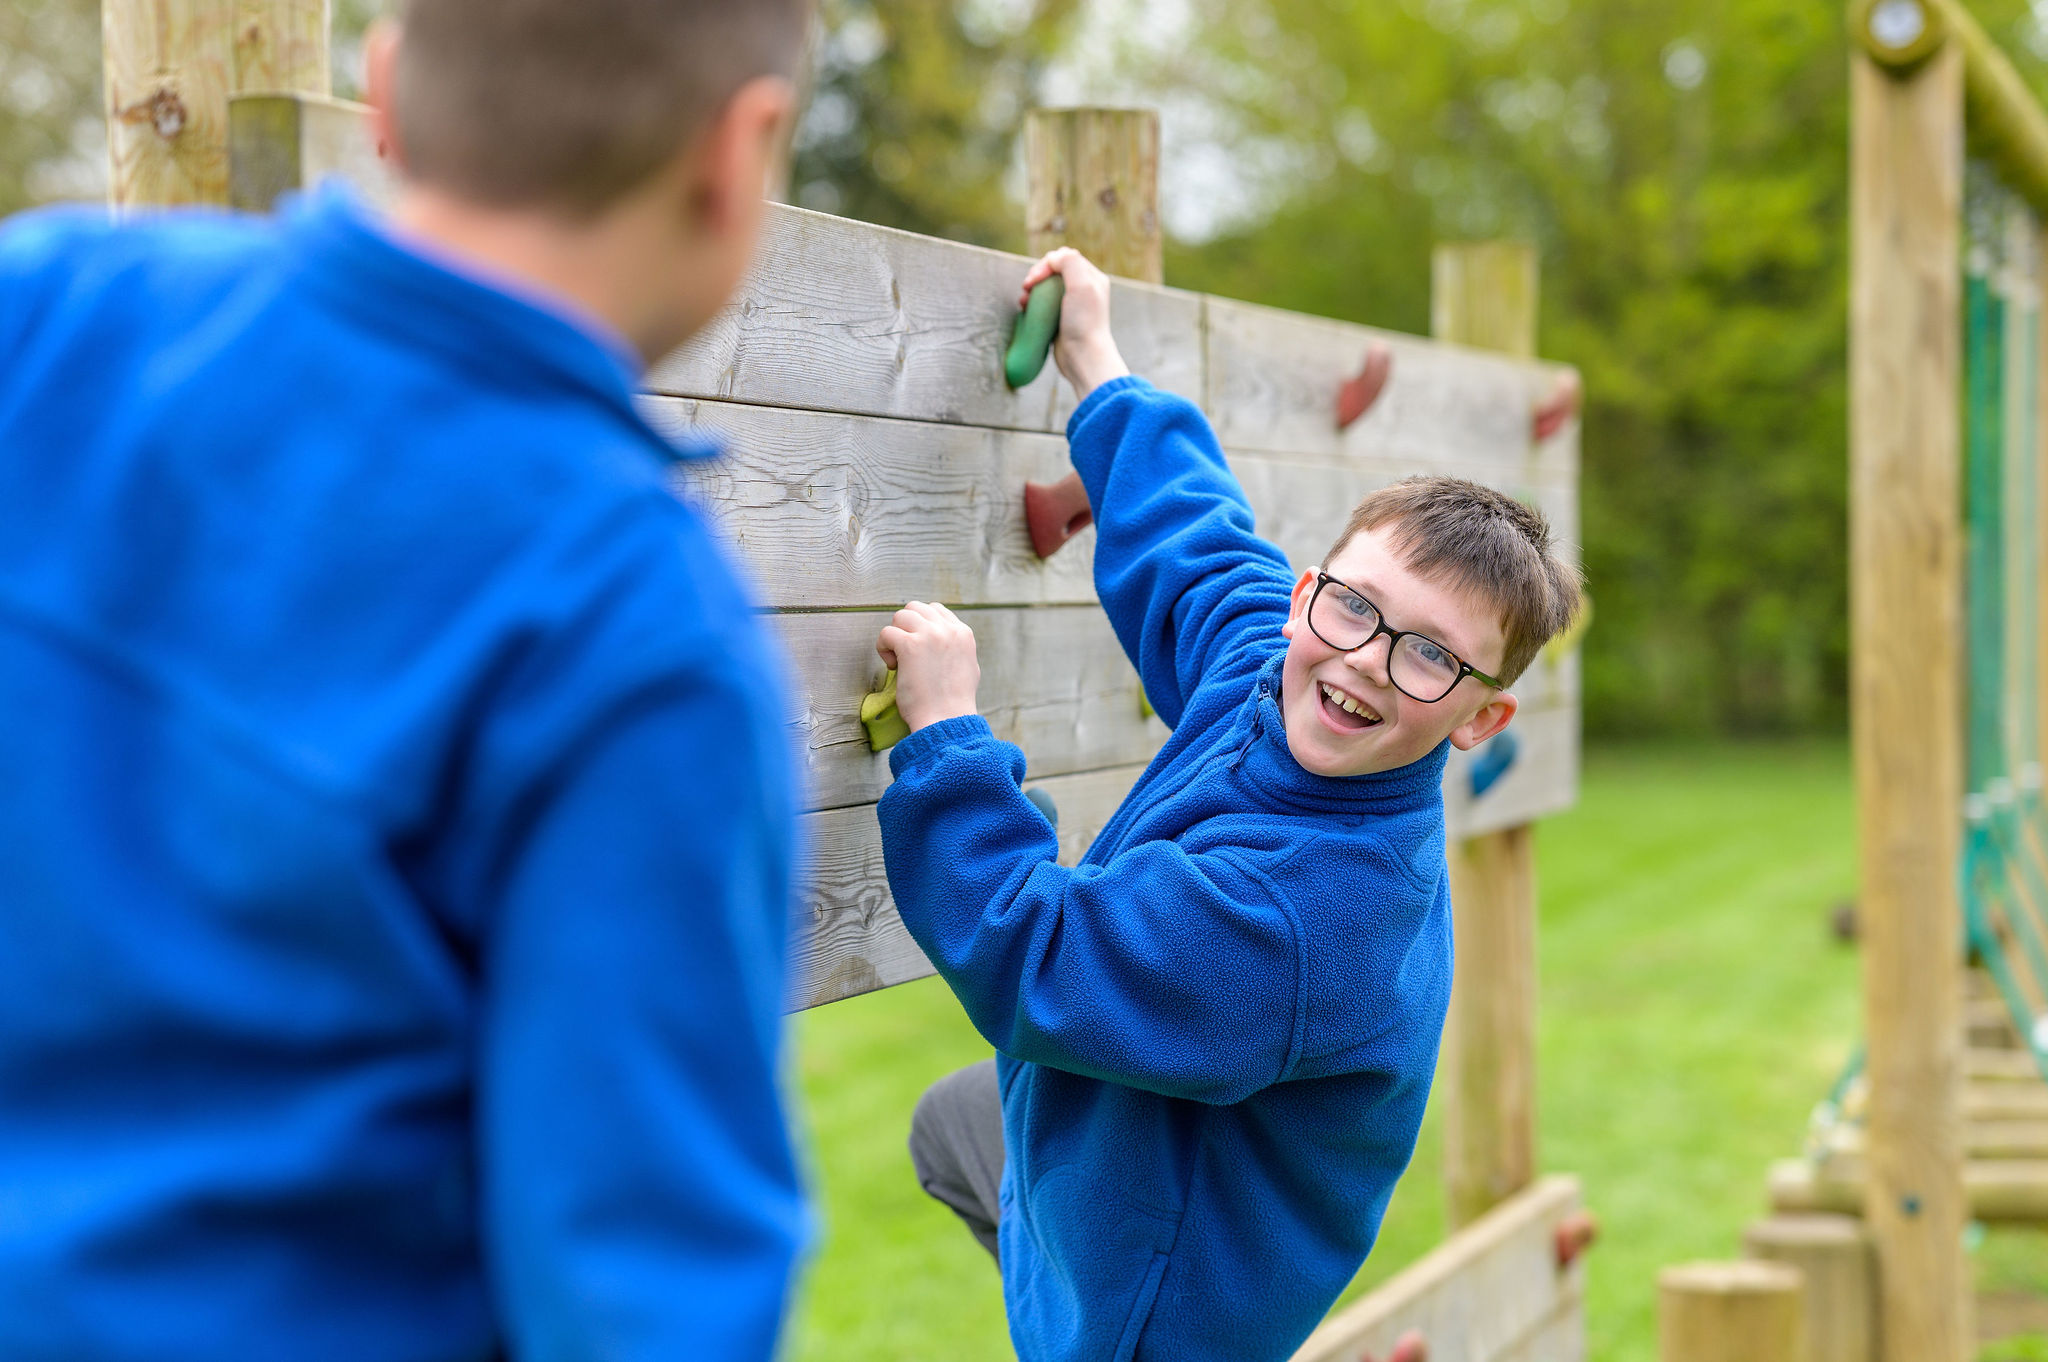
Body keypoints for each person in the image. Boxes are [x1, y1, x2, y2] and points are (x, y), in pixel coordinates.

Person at [0, 1, 813, 1357]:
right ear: (740, 149)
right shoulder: (637, 634)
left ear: (384, 82)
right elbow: (643, 1291)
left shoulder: (48, 311)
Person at [877, 248, 1583, 1361]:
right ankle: (1068, 1239)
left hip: (1160, 1322)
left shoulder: (1311, 922)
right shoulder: (1277, 665)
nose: (1364, 666)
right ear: (1310, 593)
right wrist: (1097, 363)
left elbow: (1031, 953)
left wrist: (946, 739)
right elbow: (1197, 550)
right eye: (1353, 609)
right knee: (951, 1124)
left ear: (1478, 719)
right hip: (1111, 1177)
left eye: (1431, 660)